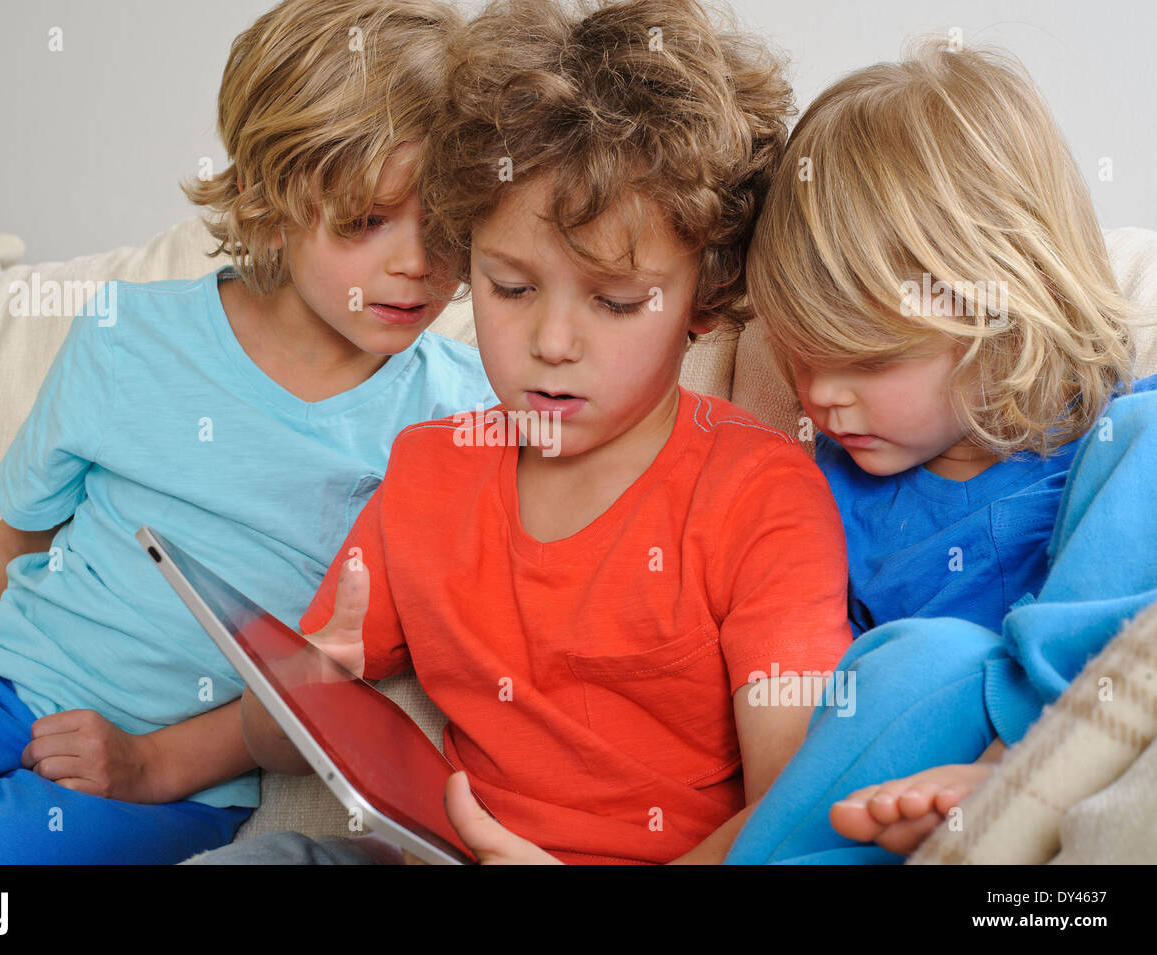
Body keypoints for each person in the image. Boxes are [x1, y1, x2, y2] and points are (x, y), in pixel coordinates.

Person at [187, 0, 854, 867]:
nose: (551, 344)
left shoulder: (761, 495)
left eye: (615, 302)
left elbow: (795, 803)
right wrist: (309, 681)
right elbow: (282, 740)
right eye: (511, 288)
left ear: (707, 291)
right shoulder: (428, 474)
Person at [0, 0, 496, 865]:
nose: (418, 263)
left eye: (448, 226)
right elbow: (19, 531)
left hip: (178, 777)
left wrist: (150, 762)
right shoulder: (130, 335)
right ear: (271, 204)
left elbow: (326, 676)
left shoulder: (459, 419)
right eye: (365, 221)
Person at [725, 39, 1157, 863]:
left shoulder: (1104, 439)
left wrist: (1005, 752)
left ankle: (1019, 757)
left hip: (1058, 741)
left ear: (1003, 313)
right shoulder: (822, 488)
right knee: (925, 661)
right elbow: (829, 726)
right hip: (886, 801)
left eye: (869, 358)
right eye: (800, 354)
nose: (821, 396)